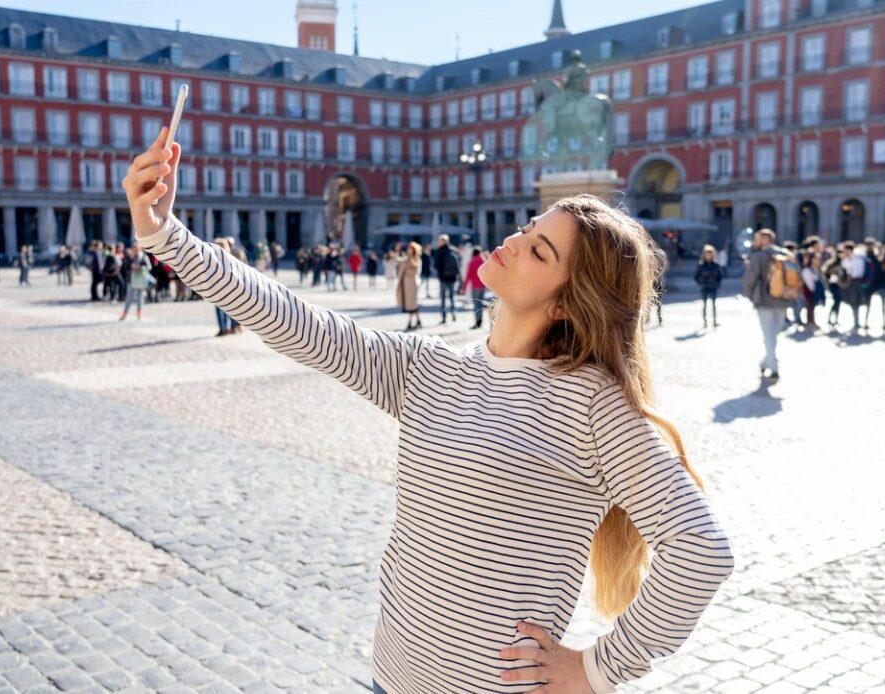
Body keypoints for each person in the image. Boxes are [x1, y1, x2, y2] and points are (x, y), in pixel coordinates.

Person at [124, 133, 734, 694]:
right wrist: (166, 235)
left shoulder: (589, 401)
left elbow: (700, 550)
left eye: (540, 250)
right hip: (391, 673)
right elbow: (297, 323)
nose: (516, 240)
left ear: (566, 303)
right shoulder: (432, 370)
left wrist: (596, 669)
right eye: (529, 227)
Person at [742, 228, 796, 382]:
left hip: (764, 299)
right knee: (774, 334)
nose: (755, 242)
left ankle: (773, 368)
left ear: (765, 240)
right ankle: (767, 362)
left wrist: (751, 297)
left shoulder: (758, 256)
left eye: (757, 239)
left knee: (769, 335)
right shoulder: (787, 254)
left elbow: (748, 280)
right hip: (784, 299)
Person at [433, 234, 460, 324]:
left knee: (443, 297)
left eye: (439, 241)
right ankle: (453, 312)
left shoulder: (440, 251)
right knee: (452, 296)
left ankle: (444, 317)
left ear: (443, 241)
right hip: (452, 277)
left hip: (443, 278)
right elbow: (459, 262)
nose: (438, 242)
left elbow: (436, 265)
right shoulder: (453, 250)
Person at [694, 244, 723, 328]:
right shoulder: (701, 265)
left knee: (714, 304)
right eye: (707, 254)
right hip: (704, 287)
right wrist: (701, 284)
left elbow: (720, 276)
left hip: (713, 286)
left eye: (710, 254)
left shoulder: (716, 265)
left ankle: (714, 321)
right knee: (705, 304)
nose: (708, 255)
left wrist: (717, 284)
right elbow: (696, 277)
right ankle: (705, 322)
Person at [396, 241, 422, 331]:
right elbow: (398, 260)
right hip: (406, 285)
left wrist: (407, 270)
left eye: (410, 249)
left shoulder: (416, 259)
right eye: (408, 248)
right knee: (412, 304)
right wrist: (397, 250)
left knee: (412, 304)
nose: (408, 250)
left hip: (413, 284)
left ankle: (410, 323)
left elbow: (415, 272)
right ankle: (418, 320)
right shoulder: (406, 258)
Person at [119, 246, 151, 320]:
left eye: (135, 249)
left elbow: (149, 267)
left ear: (139, 249)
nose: (134, 251)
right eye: (133, 250)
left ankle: (139, 314)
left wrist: (140, 267)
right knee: (129, 298)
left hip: (141, 280)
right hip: (131, 280)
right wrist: (131, 266)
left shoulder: (144, 257)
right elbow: (125, 267)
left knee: (140, 298)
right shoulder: (130, 257)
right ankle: (124, 314)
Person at [461, 246, 488, 329]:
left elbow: (468, 276)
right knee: (480, 303)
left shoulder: (472, 262)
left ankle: (477, 322)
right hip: (483, 285)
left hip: (475, 286)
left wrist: (464, 288)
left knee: (476, 305)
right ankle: (480, 321)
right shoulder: (484, 261)